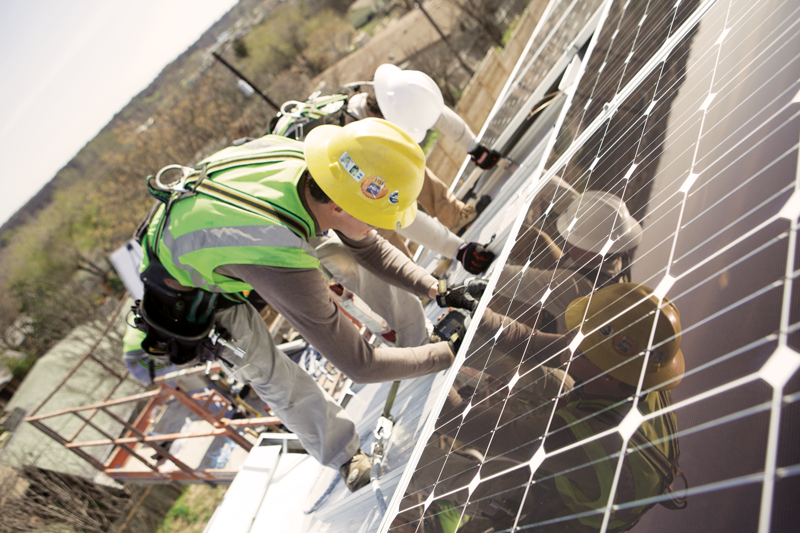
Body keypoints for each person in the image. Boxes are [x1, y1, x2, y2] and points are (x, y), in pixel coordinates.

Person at [123, 119, 454, 492]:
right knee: (265, 370)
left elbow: (366, 246)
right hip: (192, 291)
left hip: (238, 225)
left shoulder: (321, 165)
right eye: (374, 217)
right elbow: (360, 364)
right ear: (339, 206)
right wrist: (450, 354)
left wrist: (436, 288)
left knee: (347, 256)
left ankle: (416, 340)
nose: (380, 226)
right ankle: (344, 454)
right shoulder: (278, 252)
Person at [413, 282, 686, 532]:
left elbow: (457, 420)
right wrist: (478, 311)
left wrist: (431, 359)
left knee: (481, 483)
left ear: (609, 374)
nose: (570, 340)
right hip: (603, 436)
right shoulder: (639, 371)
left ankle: (386, 475)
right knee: (540, 376)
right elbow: (529, 344)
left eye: (580, 344)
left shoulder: (580, 437)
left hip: (561, 512)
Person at [493, 190, 644, 333]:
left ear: (598, 248)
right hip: (573, 273)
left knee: (493, 294)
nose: (569, 243)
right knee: (535, 239)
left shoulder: (575, 287)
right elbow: (560, 192)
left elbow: (512, 280)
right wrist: (529, 170)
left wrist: (477, 257)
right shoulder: (607, 230)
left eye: (578, 242)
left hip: (546, 327)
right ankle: (488, 234)